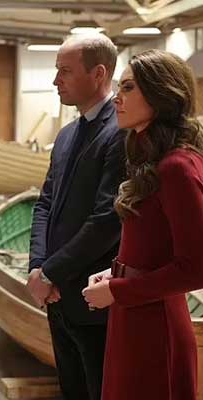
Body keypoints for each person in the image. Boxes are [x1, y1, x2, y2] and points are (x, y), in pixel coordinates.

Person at [83, 49, 203, 400]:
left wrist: (119, 290)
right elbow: (153, 247)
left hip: (155, 325)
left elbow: (197, 268)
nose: (117, 98)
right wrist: (115, 272)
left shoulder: (177, 167)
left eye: (128, 87)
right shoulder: (155, 160)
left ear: (161, 93)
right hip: (136, 317)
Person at [27, 33, 125, 400]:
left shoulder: (120, 134)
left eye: (65, 71)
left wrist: (50, 273)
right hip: (57, 297)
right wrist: (38, 267)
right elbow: (45, 204)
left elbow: (106, 221)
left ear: (99, 74)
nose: (56, 80)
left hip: (93, 299)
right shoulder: (68, 134)